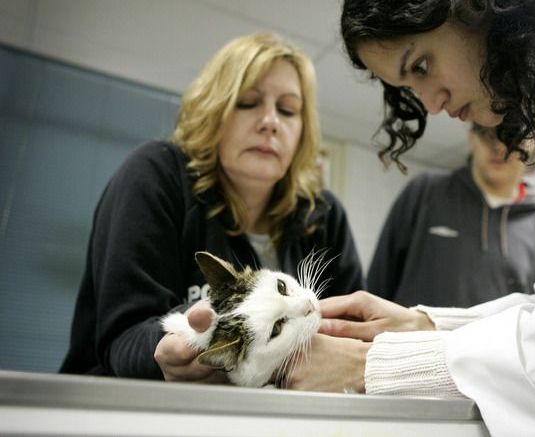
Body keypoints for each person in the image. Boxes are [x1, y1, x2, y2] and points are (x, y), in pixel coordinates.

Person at [284, 1, 535, 437]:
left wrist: (378, 365)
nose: (431, 104)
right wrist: (423, 326)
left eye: (422, 64)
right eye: (409, 86)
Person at [60, 32, 365, 381]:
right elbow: (121, 340)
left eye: (288, 110)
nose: (270, 122)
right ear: (214, 110)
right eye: (248, 102)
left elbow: (351, 328)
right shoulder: (155, 175)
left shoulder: (323, 215)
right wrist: (184, 342)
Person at [368, 122, 535, 308]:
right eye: (487, 134)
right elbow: (378, 283)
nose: (498, 147)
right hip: (412, 336)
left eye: (511, 136)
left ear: (531, 143)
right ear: (472, 138)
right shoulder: (426, 191)